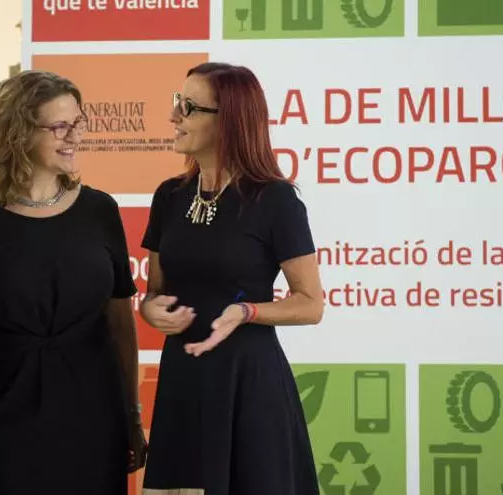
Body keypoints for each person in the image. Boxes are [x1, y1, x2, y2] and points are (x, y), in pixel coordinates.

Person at [0, 70, 147, 495]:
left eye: (79, 123)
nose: (75, 136)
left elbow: (121, 325)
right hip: (4, 418)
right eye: (60, 126)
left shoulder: (101, 211)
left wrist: (133, 416)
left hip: (95, 416)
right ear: (18, 133)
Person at [139, 62, 325, 495]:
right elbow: (155, 294)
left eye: (189, 107)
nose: (174, 116)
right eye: (177, 101)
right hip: (184, 378)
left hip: (247, 381)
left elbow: (310, 304)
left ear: (230, 121)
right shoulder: (169, 197)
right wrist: (151, 310)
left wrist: (246, 312)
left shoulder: (275, 200)